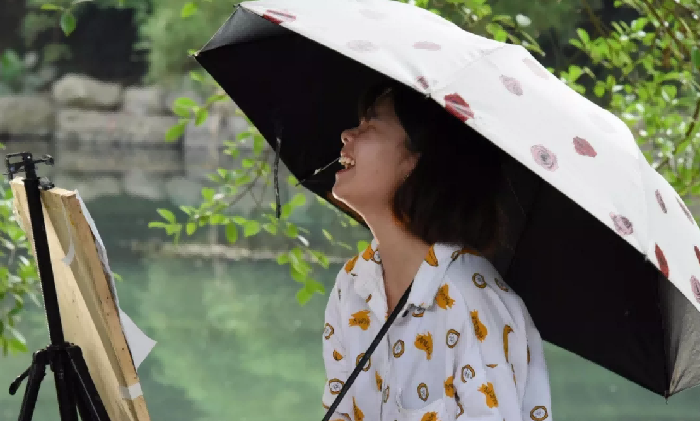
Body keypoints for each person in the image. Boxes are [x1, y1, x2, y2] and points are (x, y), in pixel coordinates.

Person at [321, 80, 553, 421]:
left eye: (370, 125)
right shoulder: (353, 284)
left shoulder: (469, 298)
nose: (347, 135)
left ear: (417, 161)